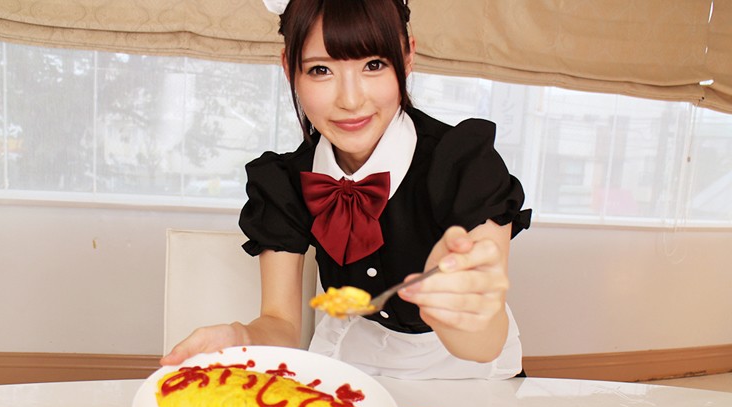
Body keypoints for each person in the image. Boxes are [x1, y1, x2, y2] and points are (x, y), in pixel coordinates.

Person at [161, 0, 531, 379]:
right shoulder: (286, 180)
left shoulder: (465, 162)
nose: (351, 100)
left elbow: (485, 343)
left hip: (468, 373)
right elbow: (280, 325)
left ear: (407, 57)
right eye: (321, 70)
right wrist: (241, 337)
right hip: (355, 360)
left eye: (374, 65)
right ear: (289, 68)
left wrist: (458, 310)